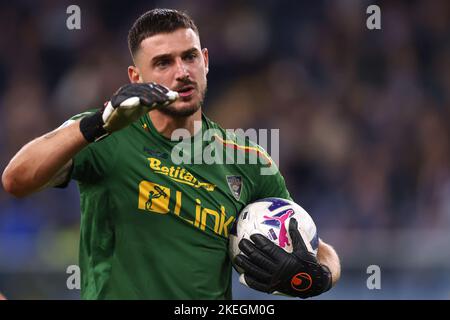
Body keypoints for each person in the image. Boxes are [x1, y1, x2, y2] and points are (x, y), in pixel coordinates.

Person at [1, 8, 340, 299]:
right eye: (163, 62)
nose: (181, 72)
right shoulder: (106, 135)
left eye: (189, 57)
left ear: (205, 61)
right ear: (137, 76)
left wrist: (317, 277)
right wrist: (96, 125)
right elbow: (16, 179)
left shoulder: (246, 159)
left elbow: (319, 248)